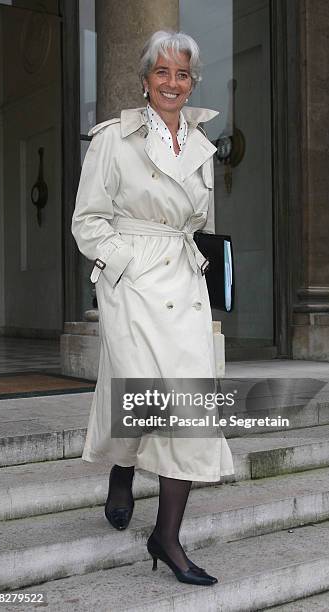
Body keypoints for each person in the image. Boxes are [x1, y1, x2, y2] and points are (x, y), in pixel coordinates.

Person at [71, 29, 234, 586]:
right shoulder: (112, 140)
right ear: (144, 81)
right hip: (132, 280)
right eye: (162, 72)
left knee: (187, 403)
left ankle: (166, 535)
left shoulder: (202, 143)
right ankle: (122, 468)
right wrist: (122, 264)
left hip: (183, 281)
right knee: (140, 387)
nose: (172, 83)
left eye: (182, 74)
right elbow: (87, 221)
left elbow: (199, 224)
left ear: (193, 83)